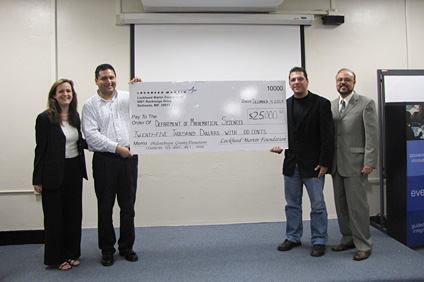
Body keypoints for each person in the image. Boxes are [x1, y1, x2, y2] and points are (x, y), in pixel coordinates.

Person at [82, 64, 142, 267]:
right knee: (105, 207)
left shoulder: (127, 98)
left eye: (112, 77)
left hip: (129, 159)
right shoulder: (90, 105)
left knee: (128, 207)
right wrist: (116, 148)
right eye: (104, 78)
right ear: (96, 80)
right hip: (105, 161)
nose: (109, 81)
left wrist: (139, 90)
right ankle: (107, 250)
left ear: (116, 78)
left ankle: (126, 247)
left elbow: (147, 110)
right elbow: (91, 136)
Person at [270, 67, 334, 257]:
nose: (296, 82)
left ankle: (319, 240)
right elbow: (282, 134)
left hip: (314, 165)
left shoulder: (321, 104)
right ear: (289, 84)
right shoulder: (284, 105)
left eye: (300, 78)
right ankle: (293, 237)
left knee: (318, 205)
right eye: (293, 80)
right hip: (291, 164)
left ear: (307, 81)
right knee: (292, 204)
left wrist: (325, 162)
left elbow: (327, 135)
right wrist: (277, 144)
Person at [33, 79, 88, 270]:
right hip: (52, 173)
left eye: (69, 91)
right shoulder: (45, 118)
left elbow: (79, 142)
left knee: (73, 214)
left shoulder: (75, 117)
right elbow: (40, 150)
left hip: (74, 170)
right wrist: (37, 179)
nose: (65, 94)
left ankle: (72, 253)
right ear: (54, 96)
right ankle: (57, 257)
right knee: (55, 217)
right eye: (61, 91)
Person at [330, 68, 378, 261]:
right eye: (340, 80)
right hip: (336, 165)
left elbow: (372, 136)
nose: (343, 83)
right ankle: (348, 237)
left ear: (354, 82)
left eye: (347, 80)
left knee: (358, 207)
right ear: (336, 83)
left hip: (357, 164)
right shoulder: (331, 105)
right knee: (341, 205)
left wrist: (370, 162)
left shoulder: (365, 103)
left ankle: (364, 244)